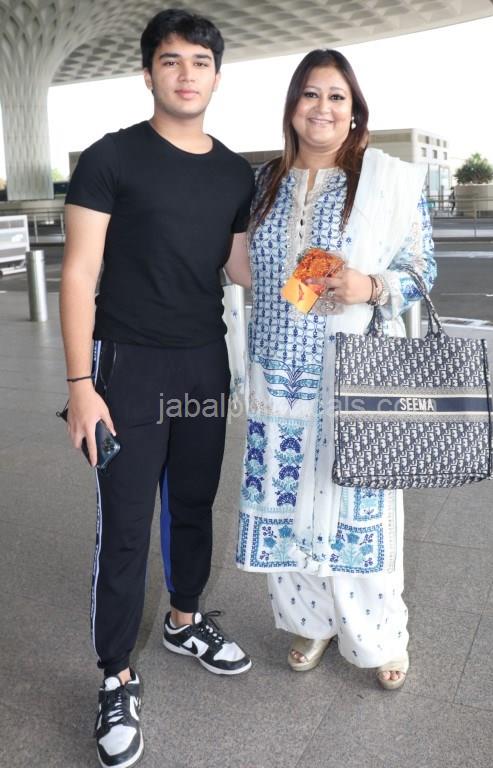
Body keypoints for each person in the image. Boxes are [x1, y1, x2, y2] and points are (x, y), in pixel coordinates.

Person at [60, 10, 254, 768]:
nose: (186, 74)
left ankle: (184, 619)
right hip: (127, 369)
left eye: (200, 62)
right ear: (149, 74)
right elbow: (79, 272)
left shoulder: (234, 172)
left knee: (194, 503)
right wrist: (82, 385)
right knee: (126, 525)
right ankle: (115, 675)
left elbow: (239, 267)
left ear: (216, 76)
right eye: (171, 61)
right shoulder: (111, 158)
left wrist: (326, 267)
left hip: (204, 363)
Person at [235, 49, 436, 690]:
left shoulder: (384, 181)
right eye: (311, 94)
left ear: (355, 114)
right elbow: (245, 268)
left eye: (336, 97)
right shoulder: (262, 183)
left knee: (358, 504)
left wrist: (369, 285)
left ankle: (379, 635)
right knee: (285, 499)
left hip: (354, 369)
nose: (322, 107)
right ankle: (310, 621)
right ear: (292, 106)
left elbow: (423, 271)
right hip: (277, 369)